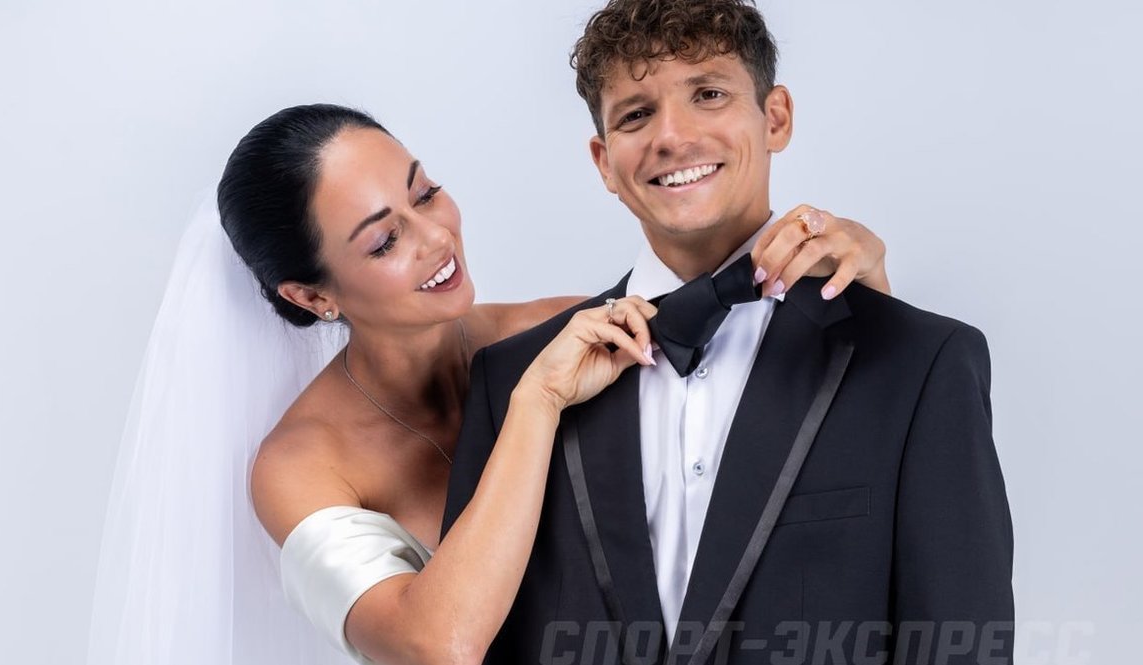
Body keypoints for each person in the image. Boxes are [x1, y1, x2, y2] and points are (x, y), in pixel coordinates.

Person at [87, 103, 891, 665]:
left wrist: (863, 284)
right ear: (311, 294)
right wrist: (534, 406)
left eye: (425, 191)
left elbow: (796, 452)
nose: (436, 237)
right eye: (384, 240)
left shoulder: (563, 325)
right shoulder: (301, 463)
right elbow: (440, 644)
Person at [442, 1, 1015, 664]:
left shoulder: (920, 362)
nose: (672, 135)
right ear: (603, 161)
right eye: (636, 114)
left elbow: (960, 643)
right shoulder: (514, 383)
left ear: (776, 117)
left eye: (709, 94)